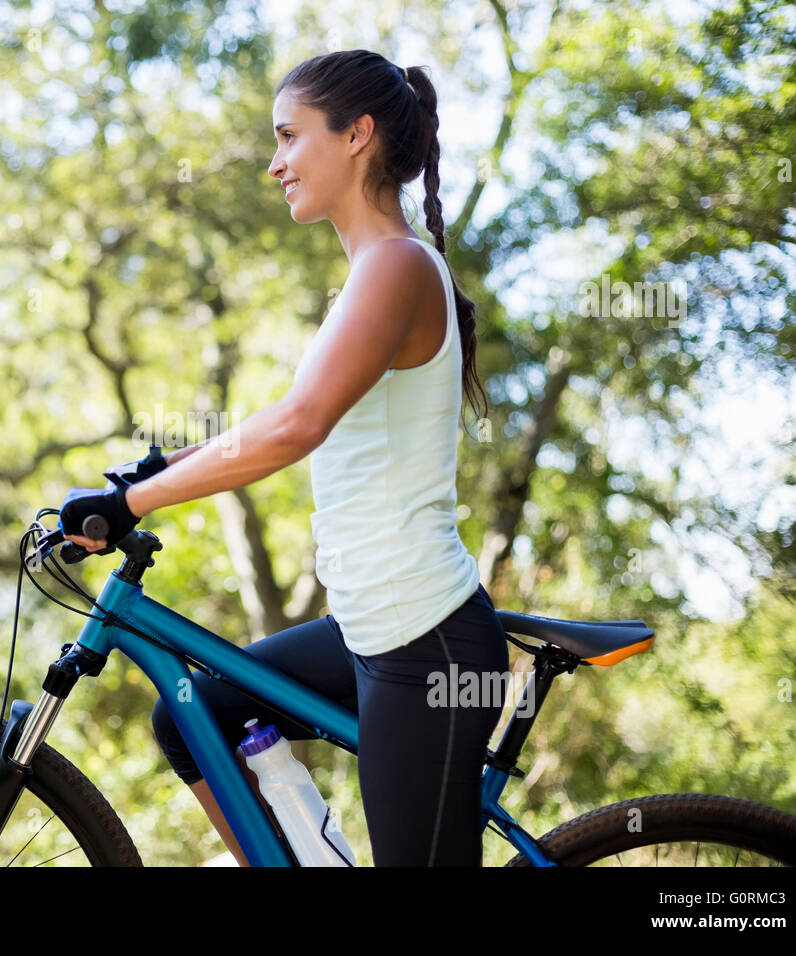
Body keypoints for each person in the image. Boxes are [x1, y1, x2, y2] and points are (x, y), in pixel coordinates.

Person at [59, 50, 509, 866]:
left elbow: (295, 427)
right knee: (192, 716)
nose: (274, 163)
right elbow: (285, 419)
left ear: (357, 135)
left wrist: (136, 506)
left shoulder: (398, 267)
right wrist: (143, 477)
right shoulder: (370, 278)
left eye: (290, 137)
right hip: (371, 630)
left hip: (426, 644)